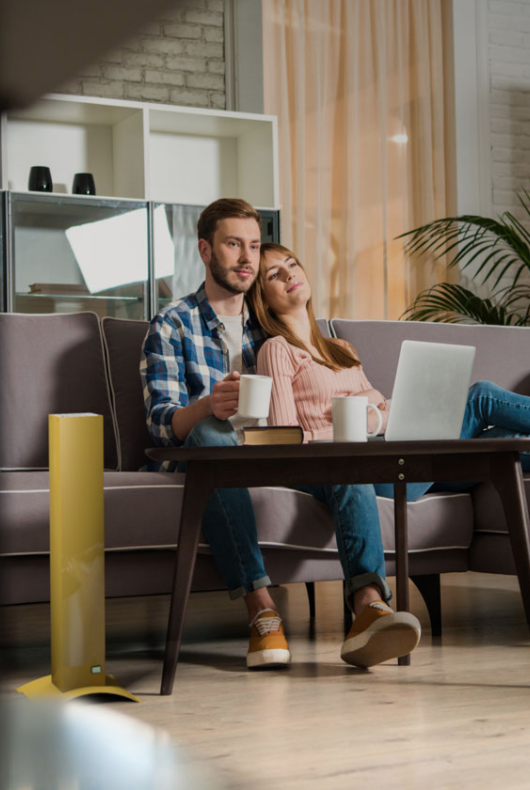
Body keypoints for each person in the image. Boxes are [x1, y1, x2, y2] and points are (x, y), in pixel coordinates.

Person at [141, 199, 420, 672]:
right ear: (206, 251)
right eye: (234, 244)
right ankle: (263, 611)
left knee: (343, 456)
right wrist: (208, 406)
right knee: (211, 432)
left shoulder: (270, 325)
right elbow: (160, 421)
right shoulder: (173, 324)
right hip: (213, 457)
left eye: (253, 245)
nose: (247, 257)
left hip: (278, 456)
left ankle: (369, 608)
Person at [248, 242, 530, 506]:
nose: (289, 274)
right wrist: (357, 423)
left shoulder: (339, 348)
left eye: (291, 263)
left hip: (399, 451)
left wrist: (375, 418)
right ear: (263, 299)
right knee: (481, 396)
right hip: (368, 473)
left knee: (494, 443)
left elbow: (381, 405)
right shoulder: (276, 351)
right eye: (274, 274)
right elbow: (285, 442)